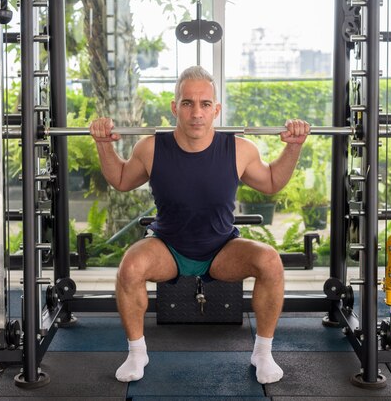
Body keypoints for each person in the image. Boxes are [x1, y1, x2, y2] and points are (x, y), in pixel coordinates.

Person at [89, 65, 310, 384]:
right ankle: (137, 353)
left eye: (205, 104)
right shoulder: (151, 148)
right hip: (168, 248)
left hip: (222, 249)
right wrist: (102, 143)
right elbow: (122, 179)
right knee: (131, 267)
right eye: (188, 103)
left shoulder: (239, 149)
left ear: (216, 109)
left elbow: (273, 181)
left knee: (270, 262)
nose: (196, 113)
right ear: (174, 107)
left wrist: (294, 145)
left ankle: (263, 352)